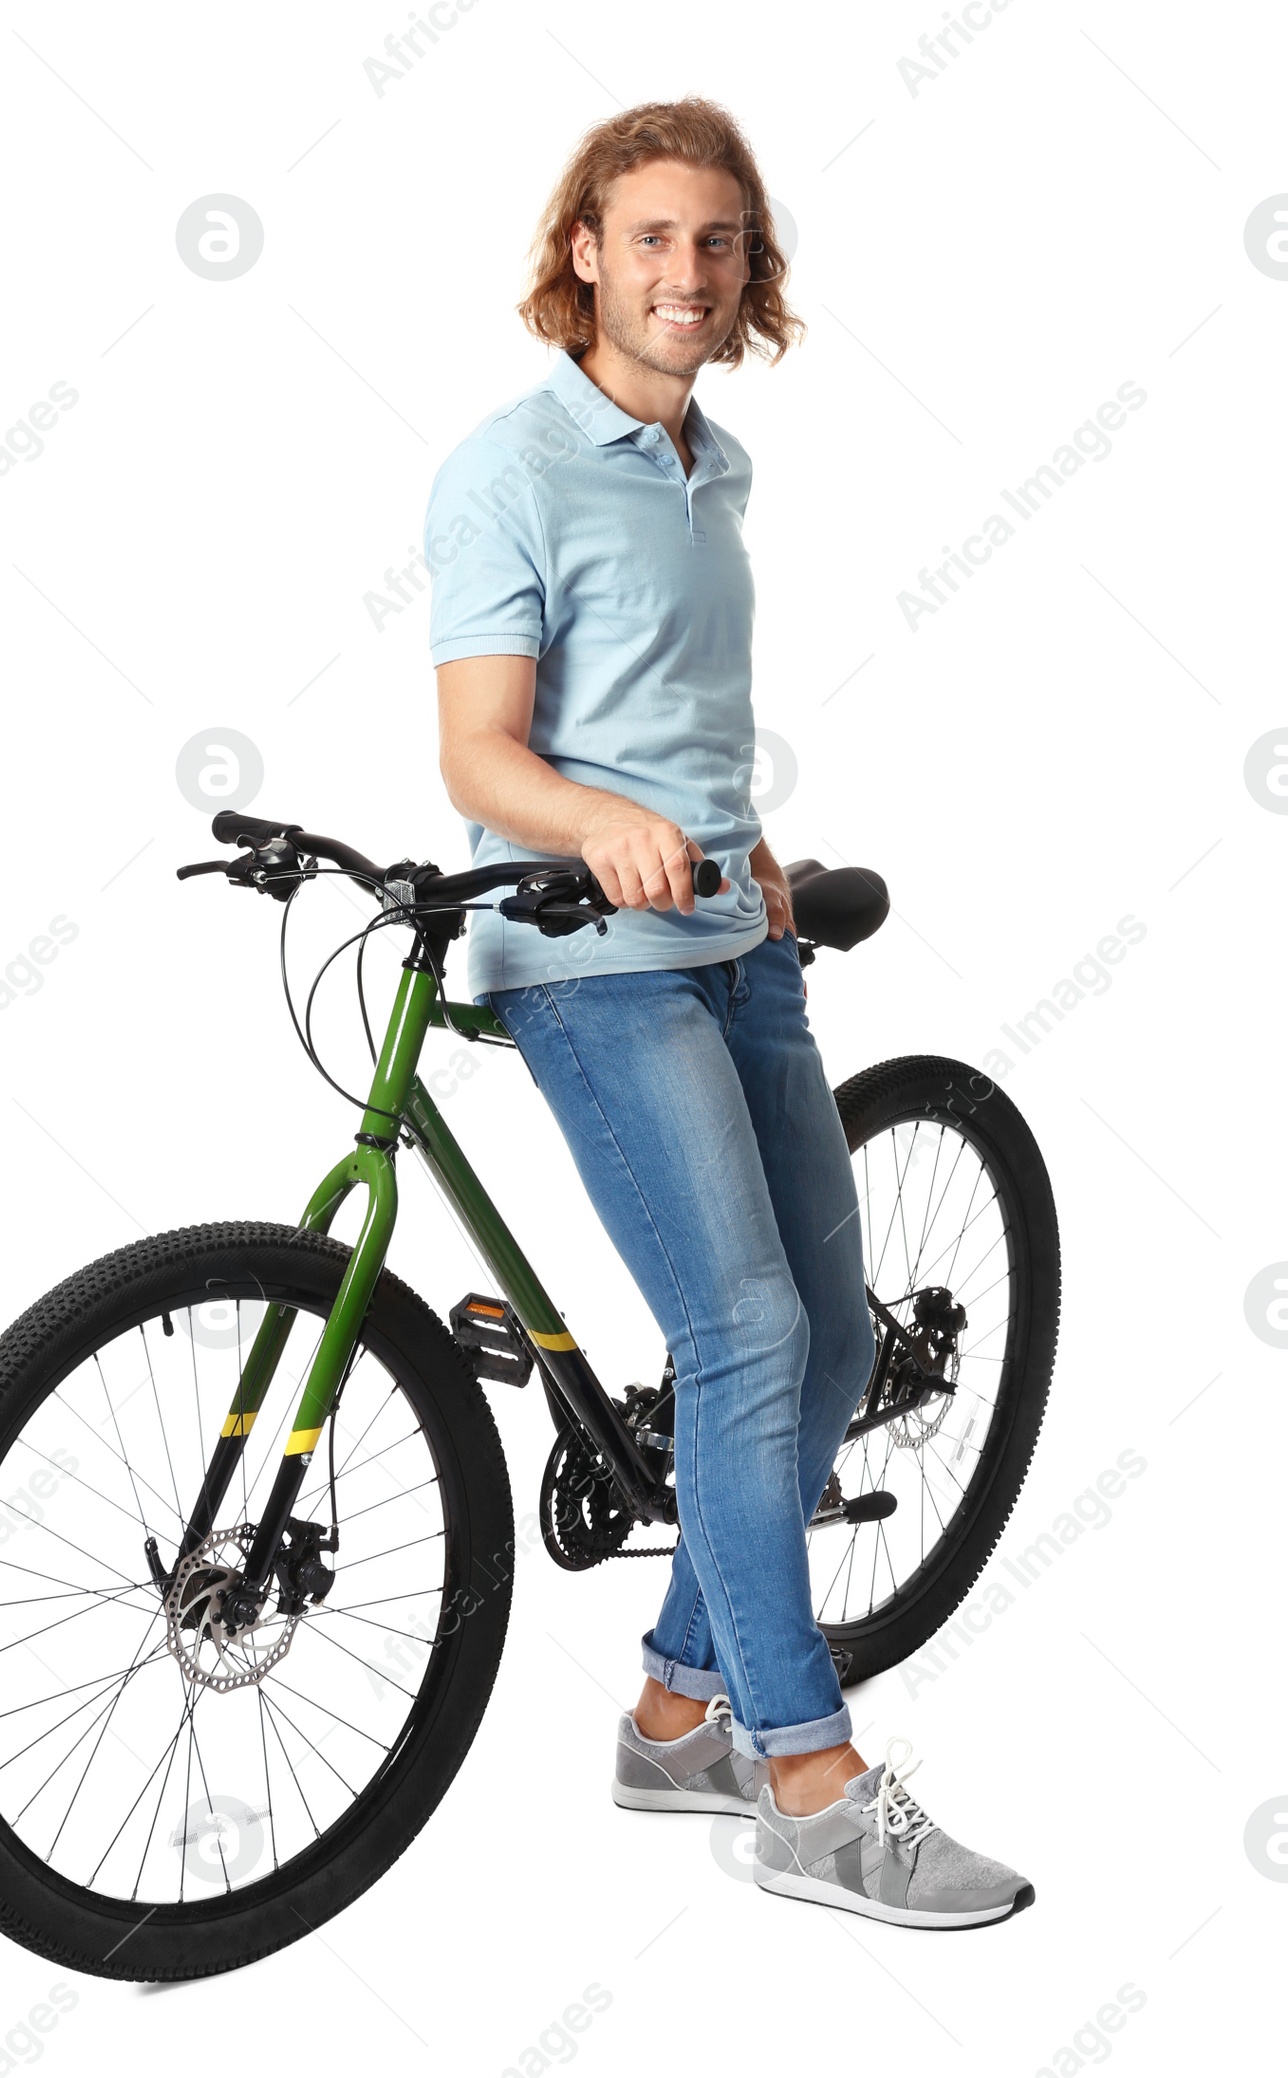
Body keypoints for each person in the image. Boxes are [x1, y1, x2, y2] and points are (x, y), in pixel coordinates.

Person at [426, 96, 1031, 1928]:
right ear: (584, 254)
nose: (690, 275)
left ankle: (677, 1712)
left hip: (727, 937)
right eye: (655, 239)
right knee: (748, 1330)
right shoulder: (508, 467)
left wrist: (737, 840)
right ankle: (812, 1780)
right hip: (586, 960)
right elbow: (478, 749)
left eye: (721, 244)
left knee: (830, 1348)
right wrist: (598, 821)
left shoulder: (720, 463)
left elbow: (672, 706)